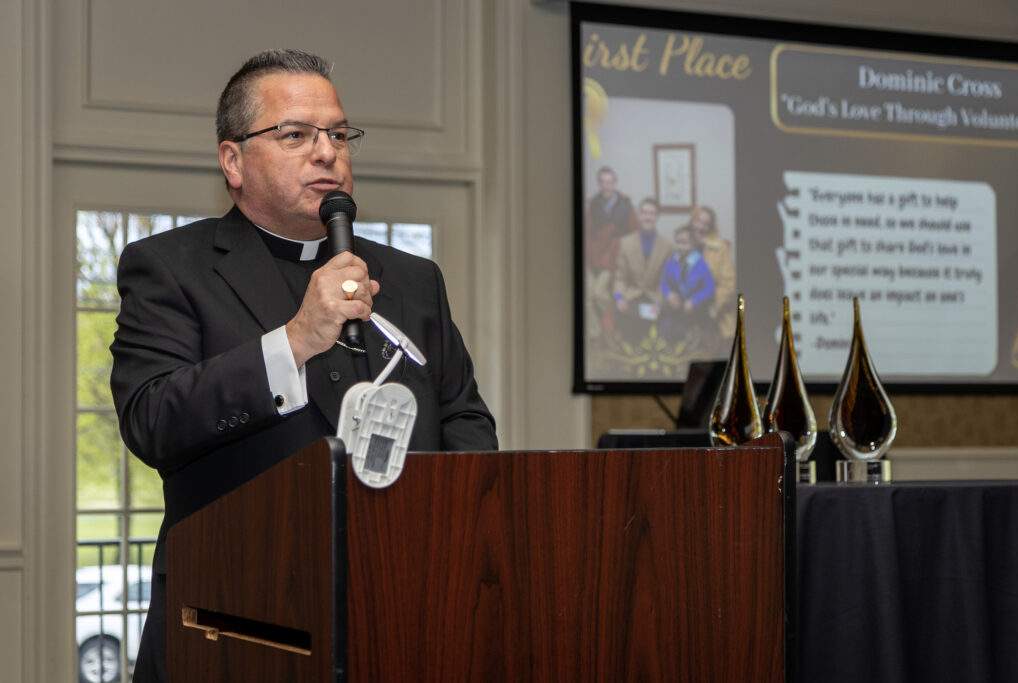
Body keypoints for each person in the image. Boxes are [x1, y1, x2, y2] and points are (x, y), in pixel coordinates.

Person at [110, 49, 497, 682]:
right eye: (295, 135)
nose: (326, 153)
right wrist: (293, 342)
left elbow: (464, 420)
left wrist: (453, 540)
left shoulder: (412, 279)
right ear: (233, 161)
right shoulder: (171, 268)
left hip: (406, 612)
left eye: (339, 135)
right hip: (237, 624)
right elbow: (152, 420)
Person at [584, 166, 638, 341]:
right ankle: (595, 333)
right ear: (599, 184)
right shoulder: (592, 204)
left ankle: (612, 324)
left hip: (613, 258)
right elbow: (587, 232)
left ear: (615, 183)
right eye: (602, 182)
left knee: (599, 293)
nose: (606, 186)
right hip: (593, 256)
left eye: (610, 182)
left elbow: (634, 233)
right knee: (587, 297)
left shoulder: (625, 205)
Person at [612, 197, 673, 343]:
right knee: (623, 315)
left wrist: (660, 302)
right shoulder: (625, 243)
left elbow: (666, 280)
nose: (647, 217)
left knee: (659, 318)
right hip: (632, 297)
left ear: (657, 217)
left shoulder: (667, 246)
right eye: (644, 212)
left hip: (654, 297)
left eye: (652, 213)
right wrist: (619, 298)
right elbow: (620, 277)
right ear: (639, 215)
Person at [659, 223, 715, 342]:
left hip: (695, 307)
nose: (680, 246)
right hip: (676, 305)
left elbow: (709, 288)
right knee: (666, 329)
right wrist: (669, 294)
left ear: (693, 243)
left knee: (692, 333)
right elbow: (664, 282)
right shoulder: (672, 260)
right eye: (678, 242)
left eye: (684, 243)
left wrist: (694, 300)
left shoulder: (700, 263)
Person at [690, 206, 736, 339]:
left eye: (706, 224)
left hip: (714, 314)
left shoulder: (720, 248)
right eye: (698, 221)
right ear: (692, 222)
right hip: (689, 314)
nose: (701, 227)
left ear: (710, 227)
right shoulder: (684, 245)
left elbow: (728, 285)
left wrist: (712, 309)